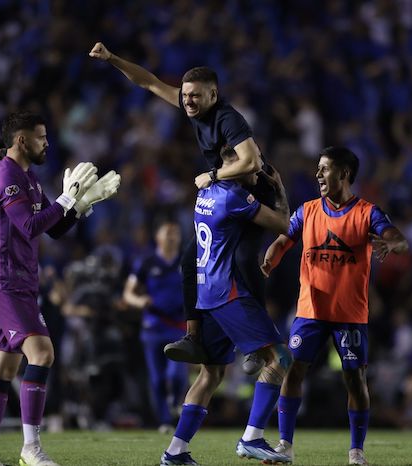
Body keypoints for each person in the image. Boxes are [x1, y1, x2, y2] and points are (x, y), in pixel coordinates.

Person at [89, 42, 275, 373]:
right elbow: (148, 82)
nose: (187, 101)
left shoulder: (228, 119)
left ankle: (259, 343)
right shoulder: (191, 106)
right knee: (190, 263)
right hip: (224, 192)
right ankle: (193, 336)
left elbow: (250, 162)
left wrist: (212, 174)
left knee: (246, 258)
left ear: (213, 95)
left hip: (253, 194)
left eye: (195, 96)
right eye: (185, 95)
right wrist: (113, 58)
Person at [0, 112, 120, 466]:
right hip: (4, 281)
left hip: (18, 281)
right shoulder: (6, 175)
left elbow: (52, 228)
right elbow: (28, 225)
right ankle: (30, 448)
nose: (47, 143)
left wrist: (81, 206)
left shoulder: (28, 178)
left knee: (3, 369)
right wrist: (66, 200)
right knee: (43, 353)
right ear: (21, 140)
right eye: (41, 137)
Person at [261, 146, 408, 466]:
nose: (318, 174)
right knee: (293, 370)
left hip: (349, 315)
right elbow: (286, 237)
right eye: (317, 168)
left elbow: (397, 237)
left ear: (344, 173)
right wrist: (274, 252)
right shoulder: (307, 210)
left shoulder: (367, 212)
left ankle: (356, 451)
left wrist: (394, 243)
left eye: (324, 168)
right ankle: (285, 445)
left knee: (354, 379)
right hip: (310, 309)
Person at [160, 146, 292, 466]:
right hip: (228, 292)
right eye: (251, 160)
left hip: (206, 294)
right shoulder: (234, 197)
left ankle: (175, 451)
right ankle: (252, 437)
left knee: (211, 375)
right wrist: (279, 188)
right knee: (280, 358)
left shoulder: (205, 193)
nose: (257, 166)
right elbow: (284, 224)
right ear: (231, 164)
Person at [123, 219, 188, 433]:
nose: (171, 235)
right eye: (167, 231)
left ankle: (176, 401)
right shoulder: (146, 263)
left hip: (178, 326)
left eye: (175, 232)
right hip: (153, 326)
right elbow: (128, 293)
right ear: (158, 237)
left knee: (176, 374)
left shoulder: (186, 261)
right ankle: (165, 420)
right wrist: (138, 301)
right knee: (157, 378)